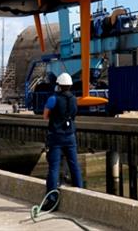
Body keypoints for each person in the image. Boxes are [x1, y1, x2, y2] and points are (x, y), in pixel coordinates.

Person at [42, 73, 82, 211]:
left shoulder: (53, 99)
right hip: (70, 135)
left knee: (54, 168)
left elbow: (45, 116)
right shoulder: (74, 100)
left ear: (58, 85)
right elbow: (74, 116)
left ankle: (52, 200)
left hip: (56, 136)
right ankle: (80, 194)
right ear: (70, 86)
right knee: (74, 165)